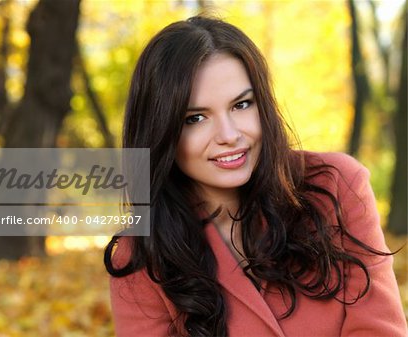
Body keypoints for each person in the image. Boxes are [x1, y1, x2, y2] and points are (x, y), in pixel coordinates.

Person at [104, 15, 407, 337]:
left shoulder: (337, 186)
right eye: (195, 118)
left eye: (241, 105)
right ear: (161, 132)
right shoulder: (140, 253)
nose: (229, 134)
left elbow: (379, 329)